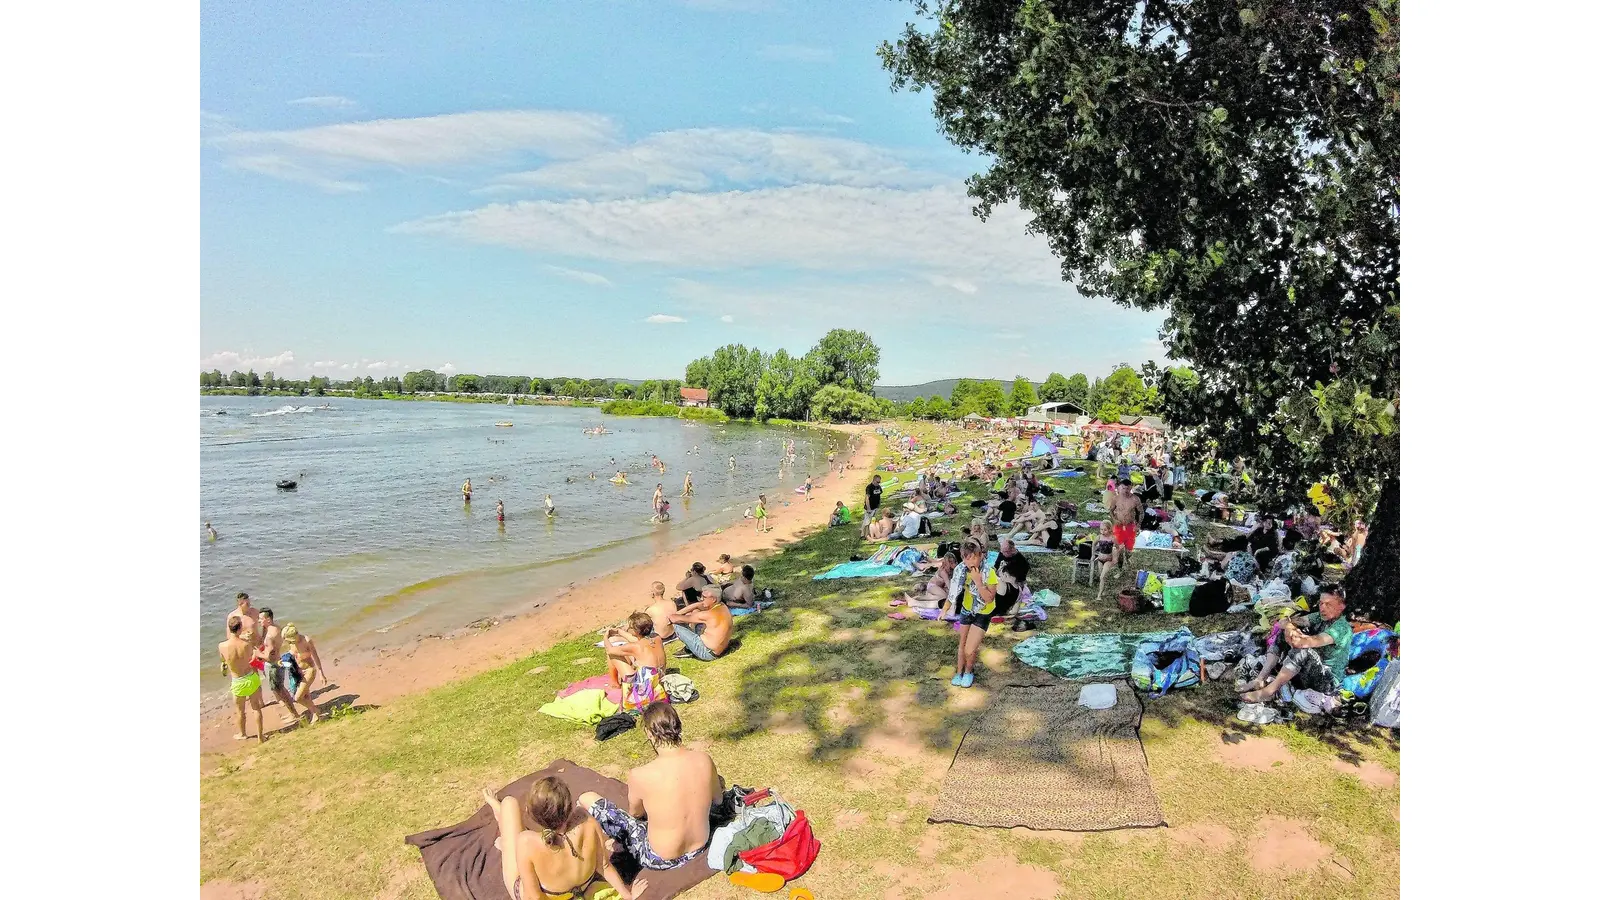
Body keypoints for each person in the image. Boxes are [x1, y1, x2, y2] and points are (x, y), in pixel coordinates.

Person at [577, 703, 722, 873]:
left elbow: (635, 814)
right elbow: (718, 799)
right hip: (699, 848)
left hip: (658, 858)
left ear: (649, 733)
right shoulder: (704, 760)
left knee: (587, 798)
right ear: (678, 726)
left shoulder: (640, 775)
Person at [483, 776, 643, 900]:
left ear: (530, 813)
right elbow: (605, 866)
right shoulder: (587, 822)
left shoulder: (526, 841)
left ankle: (501, 816)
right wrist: (627, 894)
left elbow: (535, 897)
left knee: (509, 804)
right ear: (569, 807)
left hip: (549, 893)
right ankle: (504, 828)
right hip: (582, 888)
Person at [1239, 588, 1354, 704]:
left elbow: (1303, 643)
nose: (1322, 607)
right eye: (1321, 603)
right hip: (1307, 673)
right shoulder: (1321, 617)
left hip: (1326, 682)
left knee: (1301, 651)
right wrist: (1290, 627)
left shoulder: (1342, 628)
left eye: (1328, 604)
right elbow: (1283, 623)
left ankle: (1268, 692)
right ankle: (1260, 679)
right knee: (1281, 635)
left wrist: (1291, 628)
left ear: (1341, 606)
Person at [951, 540, 998, 688]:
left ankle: (969, 671)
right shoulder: (962, 570)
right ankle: (959, 672)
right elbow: (954, 589)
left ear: (981, 556)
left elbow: (989, 599)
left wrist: (978, 582)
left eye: (973, 557)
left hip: (983, 612)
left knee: (969, 649)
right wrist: (947, 607)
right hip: (967, 610)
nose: (970, 561)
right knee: (962, 644)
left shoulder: (989, 572)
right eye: (966, 558)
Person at [605, 612, 668, 712]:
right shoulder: (656, 638)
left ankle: (614, 683)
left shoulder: (636, 647)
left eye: (630, 627)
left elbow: (610, 650)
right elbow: (638, 640)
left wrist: (606, 637)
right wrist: (619, 632)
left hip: (645, 690)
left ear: (635, 630)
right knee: (630, 655)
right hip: (658, 681)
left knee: (613, 654)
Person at [219, 617, 265, 742]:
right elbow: (253, 658)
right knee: (256, 708)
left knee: (240, 711)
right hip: (250, 677)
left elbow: (223, 661)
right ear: (240, 628)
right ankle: (261, 736)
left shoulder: (222, 646)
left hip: (237, 680)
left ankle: (242, 734)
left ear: (229, 628)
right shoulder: (246, 644)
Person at [257, 608, 300, 727]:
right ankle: (292, 713)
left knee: (280, 691)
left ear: (268, 619)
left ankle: (294, 714)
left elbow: (269, 656)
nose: (259, 621)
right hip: (278, 662)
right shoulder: (276, 628)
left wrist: (258, 654)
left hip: (273, 666)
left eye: (261, 619)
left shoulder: (270, 636)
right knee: (281, 689)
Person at [668, 591, 732, 661]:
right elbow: (698, 605)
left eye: (704, 597)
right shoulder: (722, 606)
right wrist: (679, 613)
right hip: (721, 648)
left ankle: (689, 649)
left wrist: (672, 616)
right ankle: (690, 647)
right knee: (695, 611)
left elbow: (674, 619)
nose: (701, 598)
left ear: (713, 599)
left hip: (707, 653)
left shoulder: (707, 615)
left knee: (676, 625)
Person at [281, 624, 324, 723]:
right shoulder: (291, 642)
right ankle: (315, 714)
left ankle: (315, 711)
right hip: (298, 671)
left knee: (298, 697)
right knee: (305, 695)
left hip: (309, 670)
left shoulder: (306, 640)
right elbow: (293, 654)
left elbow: (315, 656)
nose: (288, 642)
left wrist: (321, 673)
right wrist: (283, 662)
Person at [1109, 479, 1142, 568]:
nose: (1125, 491)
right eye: (1123, 488)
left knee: (1129, 550)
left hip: (1130, 526)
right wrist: (1114, 519)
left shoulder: (1135, 499)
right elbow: (1111, 510)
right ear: (1120, 488)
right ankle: (1120, 567)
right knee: (1119, 548)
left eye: (1128, 489)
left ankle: (1127, 559)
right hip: (1119, 526)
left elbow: (1141, 512)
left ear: (1131, 488)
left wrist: (1138, 525)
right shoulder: (1116, 498)